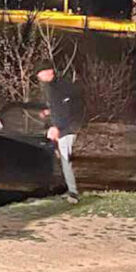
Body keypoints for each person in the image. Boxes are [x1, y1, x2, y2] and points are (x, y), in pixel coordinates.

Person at [35, 61, 85, 204]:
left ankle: (73, 193)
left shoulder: (59, 87)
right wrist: (49, 112)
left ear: (49, 72)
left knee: (65, 160)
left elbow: (65, 109)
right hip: (67, 127)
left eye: (40, 74)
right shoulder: (55, 86)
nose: (39, 77)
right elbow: (61, 107)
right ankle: (68, 189)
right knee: (61, 159)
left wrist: (57, 127)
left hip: (67, 129)